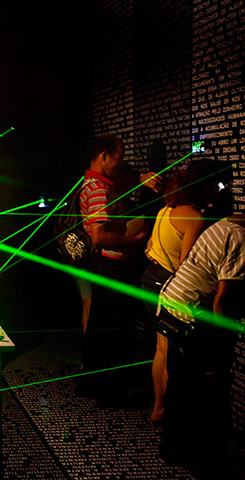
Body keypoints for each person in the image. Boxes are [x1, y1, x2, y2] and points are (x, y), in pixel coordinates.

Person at [158, 211, 244, 469]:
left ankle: (171, 450)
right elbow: (222, 299)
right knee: (204, 392)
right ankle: (203, 463)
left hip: (172, 307)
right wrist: (224, 338)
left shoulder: (226, 223)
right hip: (192, 316)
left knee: (179, 384)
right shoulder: (241, 237)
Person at [78, 135, 149, 404]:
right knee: (114, 329)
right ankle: (111, 392)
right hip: (109, 264)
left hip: (101, 265)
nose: (119, 164)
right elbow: (99, 235)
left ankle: (92, 383)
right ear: (104, 156)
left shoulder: (89, 183)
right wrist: (132, 240)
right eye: (117, 158)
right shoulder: (97, 188)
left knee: (99, 324)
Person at [140, 162, 211, 423]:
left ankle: (159, 407)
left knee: (161, 349)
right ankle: (168, 410)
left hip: (151, 277)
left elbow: (149, 245)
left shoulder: (165, 210)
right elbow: (187, 264)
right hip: (168, 285)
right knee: (172, 351)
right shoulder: (193, 216)